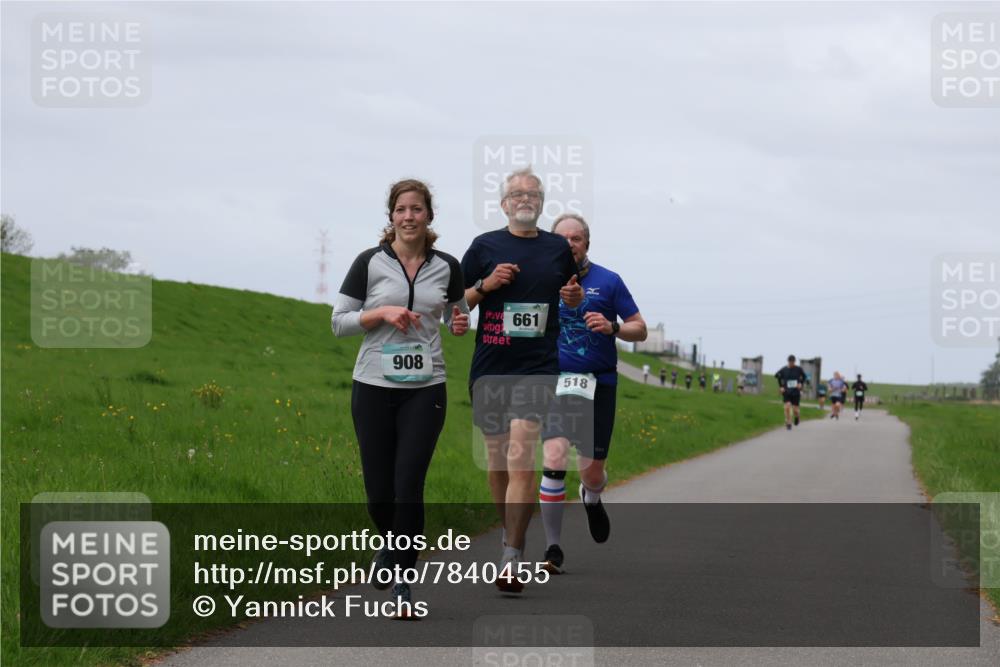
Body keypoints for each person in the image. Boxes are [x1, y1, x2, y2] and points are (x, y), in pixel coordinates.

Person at [332, 179, 470, 615]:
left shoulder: (447, 265)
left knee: (408, 485)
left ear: (430, 216)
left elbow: (455, 313)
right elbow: (339, 322)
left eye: (417, 209)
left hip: (426, 389)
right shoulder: (369, 263)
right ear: (391, 216)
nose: (409, 216)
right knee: (379, 492)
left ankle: (404, 585)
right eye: (401, 209)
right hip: (372, 386)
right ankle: (390, 546)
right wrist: (381, 313)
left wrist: (459, 323)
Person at [461, 168, 582, 594]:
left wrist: (574, 297)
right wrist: (486, 284)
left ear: (542, 203)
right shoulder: (483, 247)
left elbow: (572, 292)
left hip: (538, 368)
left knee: (520, 455)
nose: (525, 198)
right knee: (497, 464)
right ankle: (511, 531)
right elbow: (455, 306)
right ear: (504, 204)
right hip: (491, 365)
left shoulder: (556, 249)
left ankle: (511, 555)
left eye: (533, 193)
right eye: (517, 193)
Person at [539, 214, 648, 574]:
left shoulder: (609, 281)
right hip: (556, 380)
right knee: (554, 457)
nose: (570, 244)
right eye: (563, 238)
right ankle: (553, 548)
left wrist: (613, 326)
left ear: (587, 244)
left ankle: (592, 496)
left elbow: (640, 329)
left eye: (577, 238)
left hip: (599, 381)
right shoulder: (539, 278)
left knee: (592, 471)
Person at [774, 354, 807, 430]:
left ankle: (797, 417)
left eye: (792, 362)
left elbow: (804, 377)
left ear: (794, 362)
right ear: (788, 361)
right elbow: (777, 376)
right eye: (790, 362)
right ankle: (788, 422)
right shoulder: (784, 369)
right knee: (787, 407)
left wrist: (800, 383)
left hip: (795, 392)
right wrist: (781, 387)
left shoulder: (798, 369)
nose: (791, 363)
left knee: (795, 410)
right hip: (787, 391)